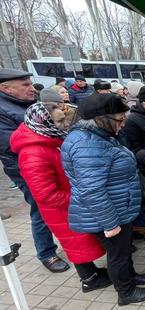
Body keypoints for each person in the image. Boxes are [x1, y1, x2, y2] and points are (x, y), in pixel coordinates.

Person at [61, 93, 145, 306]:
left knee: (123, 250)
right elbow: (92, 190)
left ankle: (131, 278)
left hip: (117, 207)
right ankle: (126, 292)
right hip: (108, 214)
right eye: (119, 120)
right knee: (118, 255)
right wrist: (110, 222)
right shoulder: (88, 144)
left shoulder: (98, 136)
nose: (122, 125)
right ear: (101, 118)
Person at [10, 102, 111, 292]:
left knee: (81, 242)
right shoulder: (33, 153)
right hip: (62, 208)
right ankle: (89, 280)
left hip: (69, 204)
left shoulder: (48, 139)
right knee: (76, 244)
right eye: (59, 121)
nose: (64, 124)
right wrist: (79, 198)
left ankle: (93, 272)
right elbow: (46, 194)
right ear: (43, 122)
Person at [0, 68, 69, 273]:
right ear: (6, 88)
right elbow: (8, 143)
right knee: (41, 207)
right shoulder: (2, 110)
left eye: (31, 83)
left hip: (51, 159)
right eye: (25, 85)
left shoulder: (31, 103)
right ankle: (46, 253)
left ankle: (70, 240)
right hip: (26, 167)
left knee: (59, 203)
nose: (32, 88)